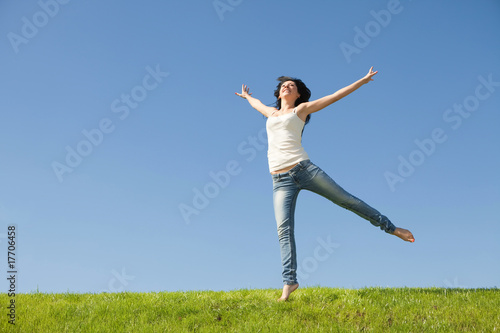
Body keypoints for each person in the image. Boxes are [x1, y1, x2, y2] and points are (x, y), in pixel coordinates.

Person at [235, 67, 415, 302]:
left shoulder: (301, 110)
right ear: (279, 94)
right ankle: (289, 283)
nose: (286, 86)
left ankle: (392, 228)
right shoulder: (270, 114)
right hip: (279, 181)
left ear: (298, 94)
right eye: (283, 86)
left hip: (304, 170)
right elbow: (257, 103)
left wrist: (361, 81)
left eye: (292, 85)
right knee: (284, 231)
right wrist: (247, 97)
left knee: (346, 200)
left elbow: (335, 96)